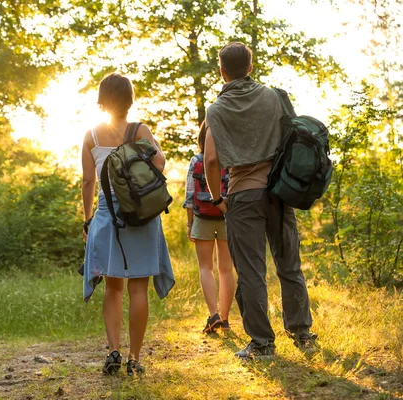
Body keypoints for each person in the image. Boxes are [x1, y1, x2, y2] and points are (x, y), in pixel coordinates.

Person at [203, 42, 317, 359]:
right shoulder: (274, 96)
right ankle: (303, 334)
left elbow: (211, 161)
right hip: (279, 191)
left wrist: (217, 198)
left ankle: (262, 344)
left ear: (221, 71)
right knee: (289, 265)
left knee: (252, 272)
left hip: (241, 194)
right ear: (251, 67)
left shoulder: (216, 110)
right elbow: (294, 138)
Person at [81, 73, 175, 375]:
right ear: (129, 98)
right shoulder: (140, 130)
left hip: (109, 216)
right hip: (142, 215)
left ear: (102, 99)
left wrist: (87, 221)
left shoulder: (92, 136)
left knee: (113, 288)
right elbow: (160, 165)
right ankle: (135, 357)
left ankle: (113, 351)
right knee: (138, 289)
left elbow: (87, 182)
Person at [183, 127, 235, 334]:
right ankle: (225, 318)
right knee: (226, 269)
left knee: (206, 267)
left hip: (202, 217)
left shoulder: (196, 160)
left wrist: (189, 224)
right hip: (226, 216)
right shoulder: (231, 160)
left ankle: (213, 315)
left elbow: (189, 196)